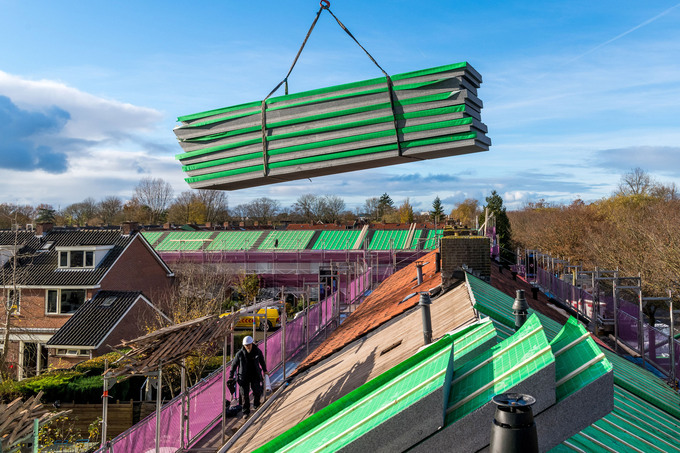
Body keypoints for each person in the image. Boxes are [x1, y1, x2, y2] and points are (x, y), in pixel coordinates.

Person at [229, 335, 268, 418]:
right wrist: (231, 376)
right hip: (243, 377)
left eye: (249, 345)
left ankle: (256, 405)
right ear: (244, 345)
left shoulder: (257, 351)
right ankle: (246, 412)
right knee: (244, 395)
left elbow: (262, 361)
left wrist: (265, 370)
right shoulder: (239, 354)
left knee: (257, 391)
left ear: (252, 344)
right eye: (246, 345)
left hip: (255, 375)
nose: (248, 347)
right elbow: (233, 366)